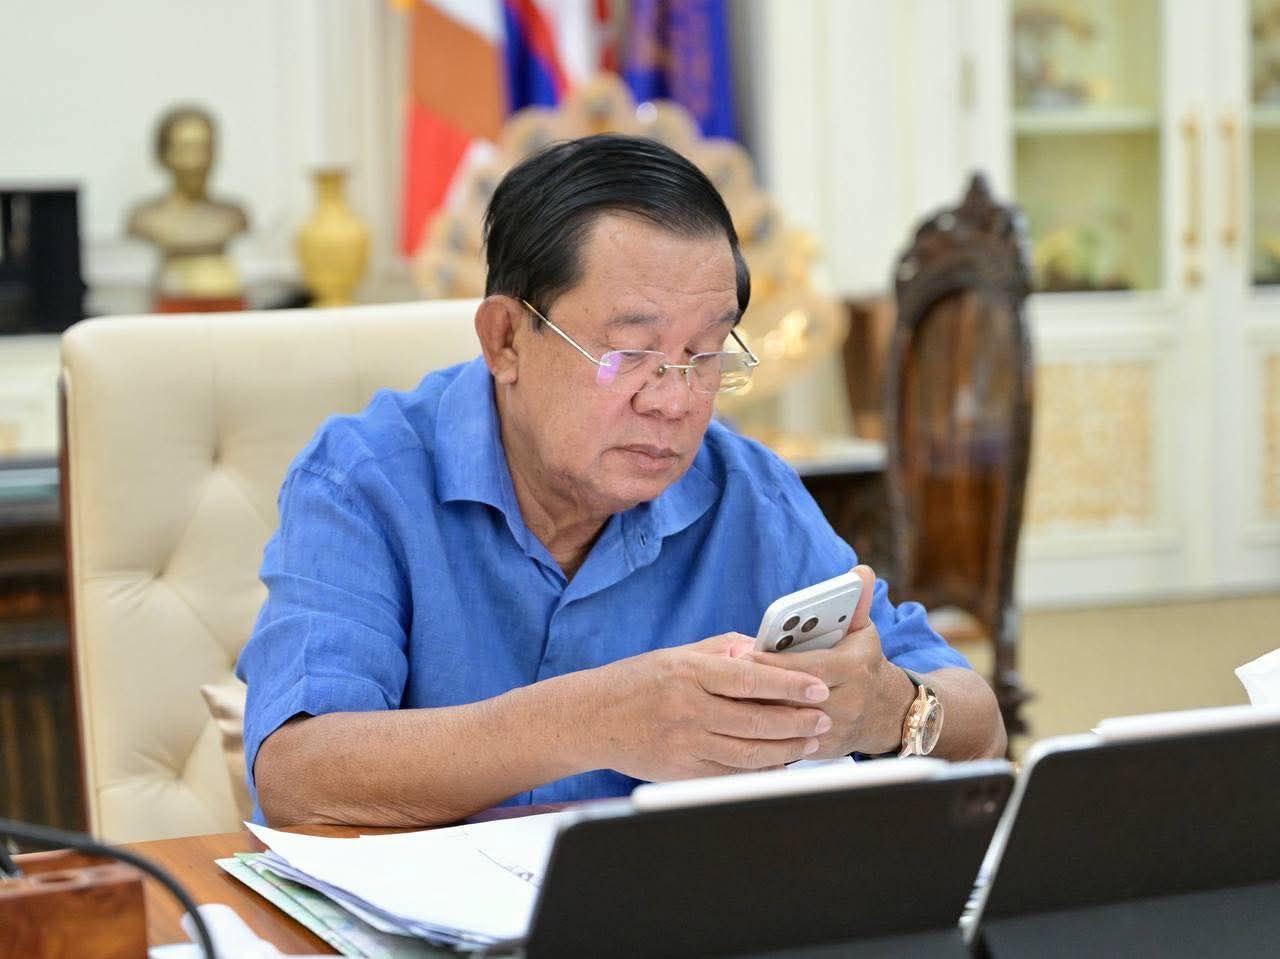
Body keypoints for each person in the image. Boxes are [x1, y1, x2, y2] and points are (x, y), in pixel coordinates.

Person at [238, 133, 1005, 827]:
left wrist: (889, 708)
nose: (674, 401)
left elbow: (981, 723)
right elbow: (298, 775)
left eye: (705, 355)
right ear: (505, 339)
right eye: (630, 354)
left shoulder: (745, 490)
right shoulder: (363, 479)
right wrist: (594, 720)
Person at [125, 105, 249, 302]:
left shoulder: (234, 215)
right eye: (187, 149)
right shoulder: (145, 217)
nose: (198, 161)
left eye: (205, 148)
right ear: (164, 155)